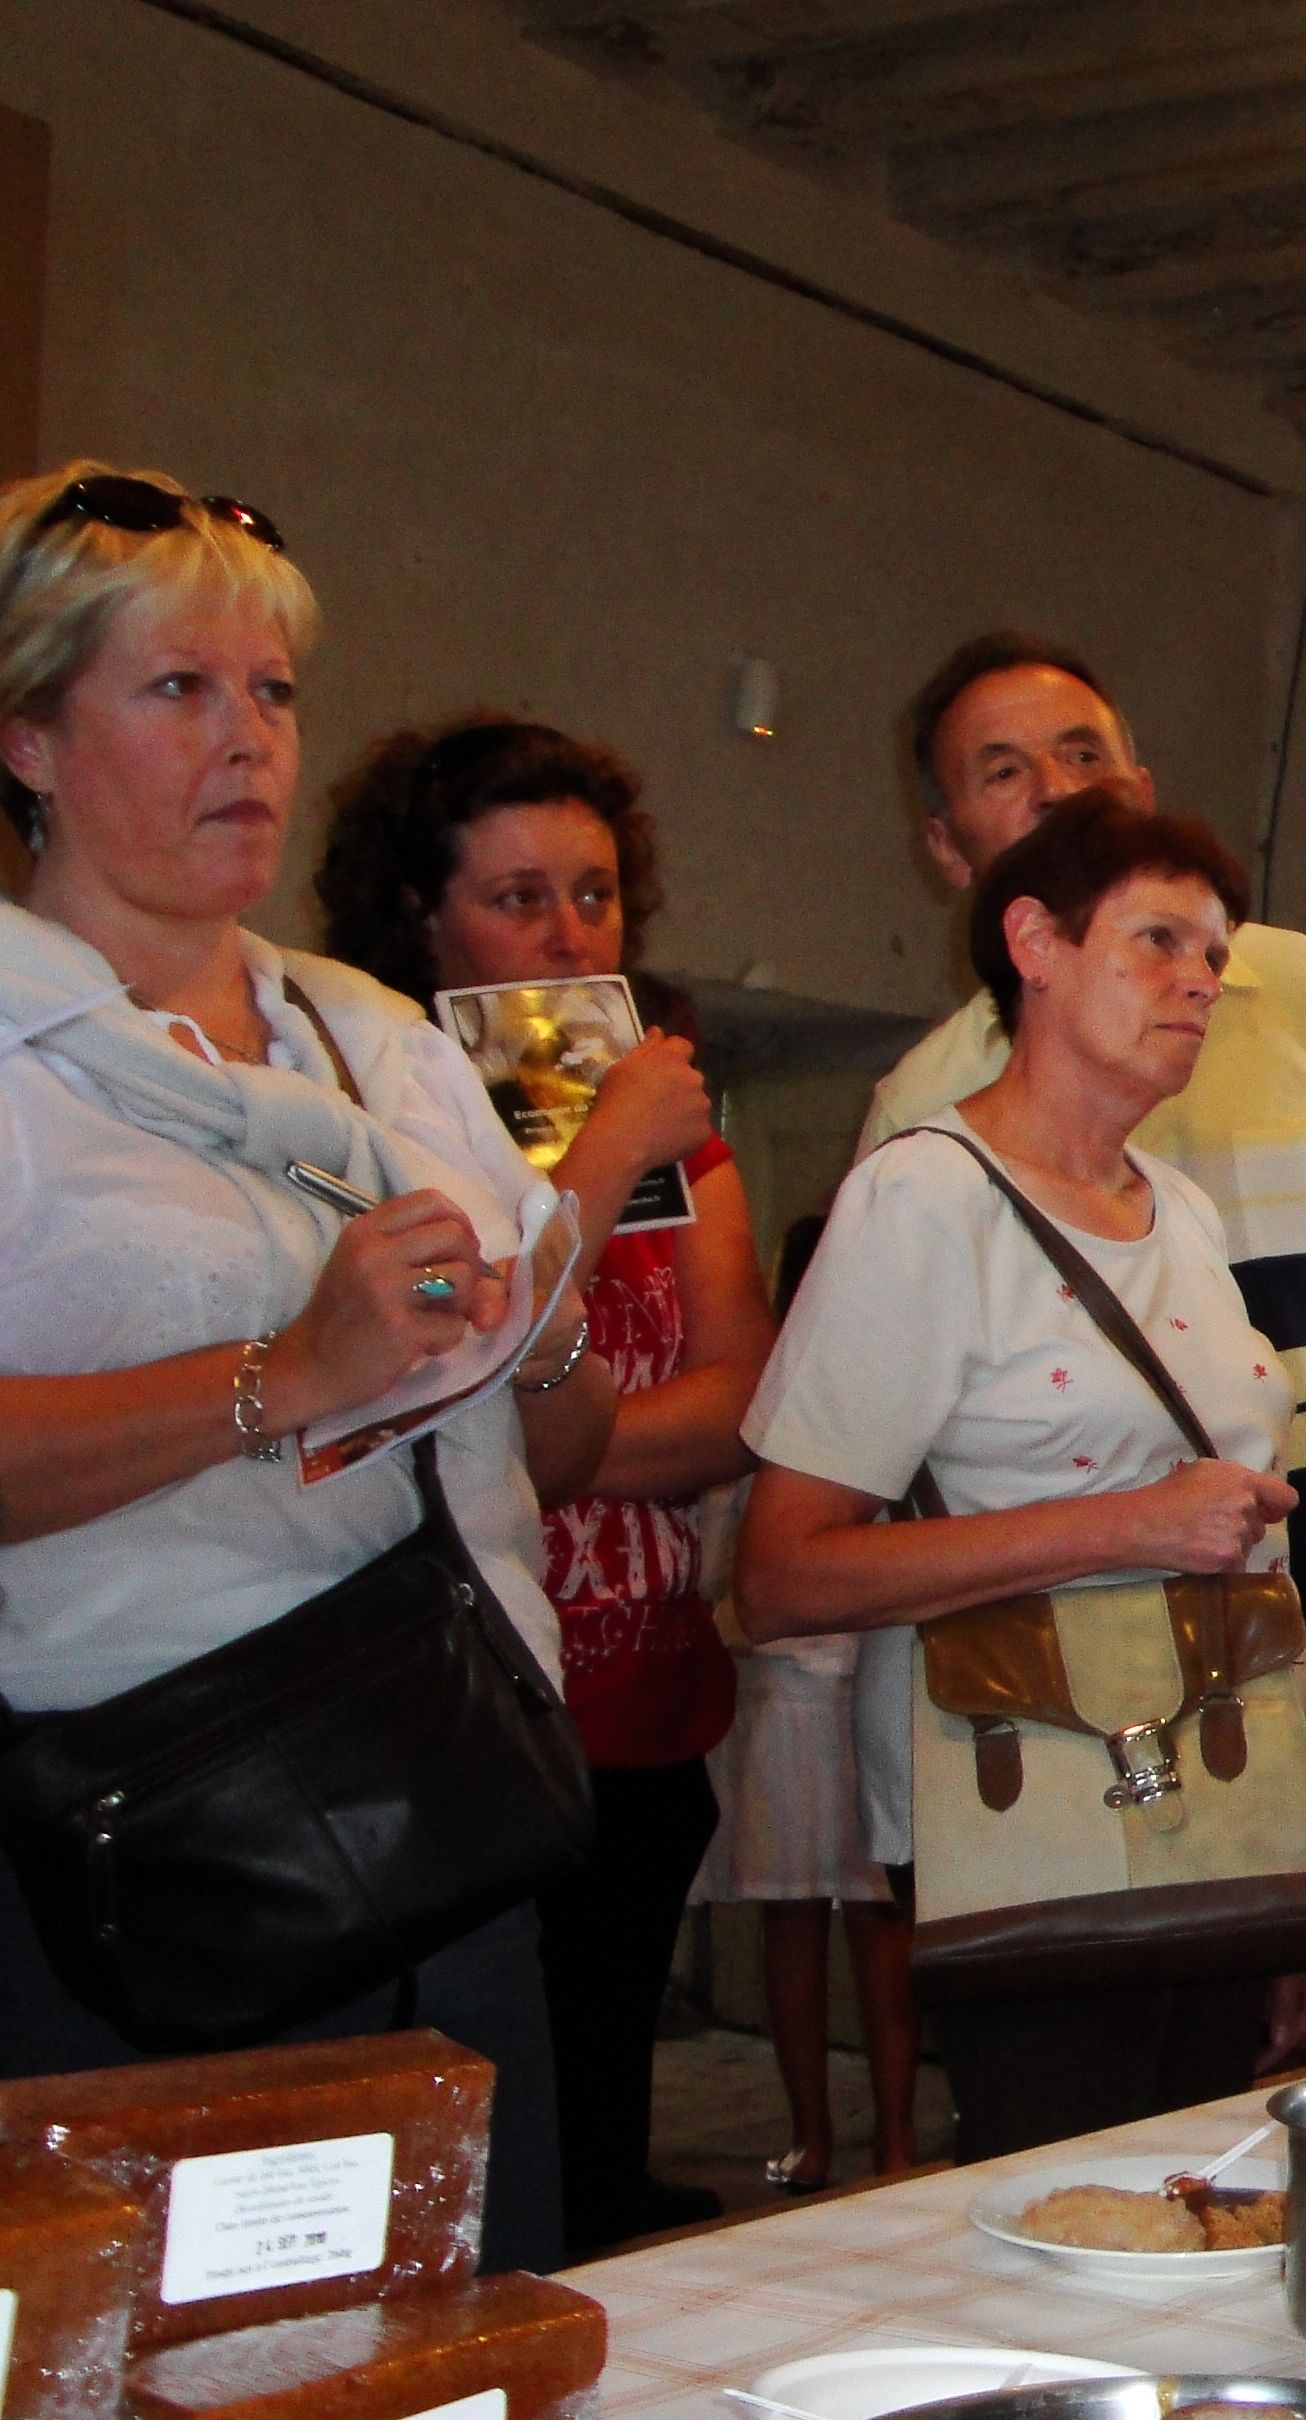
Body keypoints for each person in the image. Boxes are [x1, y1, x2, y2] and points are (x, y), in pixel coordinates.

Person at [0, 464, 617, 2268]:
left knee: (475, 2369)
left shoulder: (376, 1039)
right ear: (29, 738)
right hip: (145, 1859)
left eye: (270, 691)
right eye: (176, 688)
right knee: (176, 2409)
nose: (247, 739)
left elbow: (562, 1452)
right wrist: (290, 1373)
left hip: (447, 1821)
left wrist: (537, 1332)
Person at [740, 790, 1299, 2158]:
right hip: (1024, 1792)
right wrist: (1127, 1524)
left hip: (1217, 1780)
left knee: (1212, 2185)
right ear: (1035, 944)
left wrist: (1300, 1872)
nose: (1199, 981)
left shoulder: (1186, 1210)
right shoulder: (925, 1197)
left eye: (1215, 956)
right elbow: (783, 1575)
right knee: (1070, 2191)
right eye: (1158, 940)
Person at [313, 716, 772, 2256]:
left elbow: (738, 1405)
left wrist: (525, 1431)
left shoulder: (677, 1151)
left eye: (594, 894)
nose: (571, 935)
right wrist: (596, 1171)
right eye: (520, 898)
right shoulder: (371, 1116)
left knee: (603, 2102)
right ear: (422, 917)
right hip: (460, 1701)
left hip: (641, 1692)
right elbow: (412, 1374)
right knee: (463, 2139)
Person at [855, 632, 1306, 1764]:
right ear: (948, 846)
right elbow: (870, 1481)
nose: (1058, 789)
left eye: (1083, 753)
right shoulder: (922, 1114)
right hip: (1098, 1625)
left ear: (1143, 789)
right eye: (1004, 770)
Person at [693, 1219, 915, 2193]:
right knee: (792, 1913)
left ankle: (898, 2140)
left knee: (881, 1915)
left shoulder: (905, 1381)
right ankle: (810, 2135)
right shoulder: (767, 1402)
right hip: (786, 1687)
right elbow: (722, 1563)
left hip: (880, 1675)